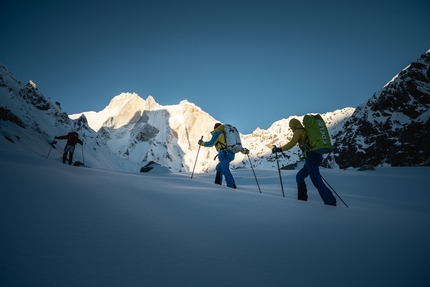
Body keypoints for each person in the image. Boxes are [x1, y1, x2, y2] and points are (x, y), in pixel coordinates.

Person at [271, 118, 337, 206]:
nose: (291, 129)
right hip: (314, 157)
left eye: (291, 127)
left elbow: (292, 143)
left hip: (311, 158)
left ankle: (330, 202)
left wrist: (280, 149)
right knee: (299, 176)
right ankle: (302, 200)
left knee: (316, 180)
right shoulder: (306, 131)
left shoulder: (298, 131)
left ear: (294, 125)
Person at [198, 123, 249, 189]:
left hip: (224, 154)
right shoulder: (226, 134)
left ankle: (231, 186)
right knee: (219, 168)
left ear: (215, 128)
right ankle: (217, 183)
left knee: (225, 170)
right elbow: (236, 146)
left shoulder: (217, 133)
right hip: (231, 154)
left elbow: (211, 143)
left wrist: (202, 143)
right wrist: (244, 151)